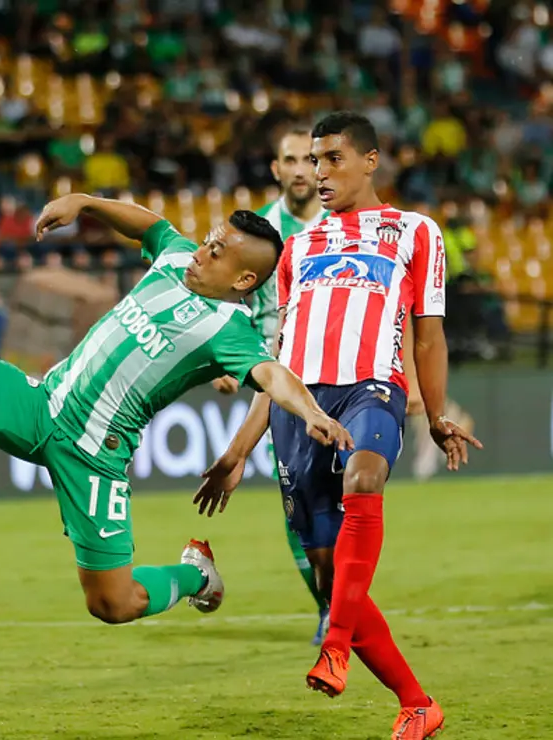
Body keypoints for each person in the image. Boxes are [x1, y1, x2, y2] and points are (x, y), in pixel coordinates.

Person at [0, 192, 354, 628]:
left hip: (94, 460)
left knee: (113, 604)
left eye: (217, 252)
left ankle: (197, 574)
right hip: (42, 404)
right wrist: (85, 204)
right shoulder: (177, 257)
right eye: (208, 240)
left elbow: (271, 374)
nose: (202, 251)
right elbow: (150, 224)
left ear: (244, 279)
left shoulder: (229, 329)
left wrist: (311, 412)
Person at [194, 112, 483, 740]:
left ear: (370, 161)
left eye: (332, 159)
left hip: (371, 387)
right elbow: (280, 362)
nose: (321, 174)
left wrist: (435, 413)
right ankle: (416, 703)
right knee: (328, 569)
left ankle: (336, 646)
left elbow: (429, 336)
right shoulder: (297, 248)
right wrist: (239, 450)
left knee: (366, 477)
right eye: (314, 161)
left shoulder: (415, 232)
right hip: (302, 408)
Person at [216, 124, 331, 645]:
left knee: (348, 498)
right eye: (292, 160)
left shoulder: (341, 223)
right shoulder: (260, 233)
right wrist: (221, 359)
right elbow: (224, 296)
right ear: (277, 169)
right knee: (299, 508)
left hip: (335, 372)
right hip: (277, 381)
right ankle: (330, 608)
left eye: (311, 159)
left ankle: (342, 606)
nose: (302, 169)